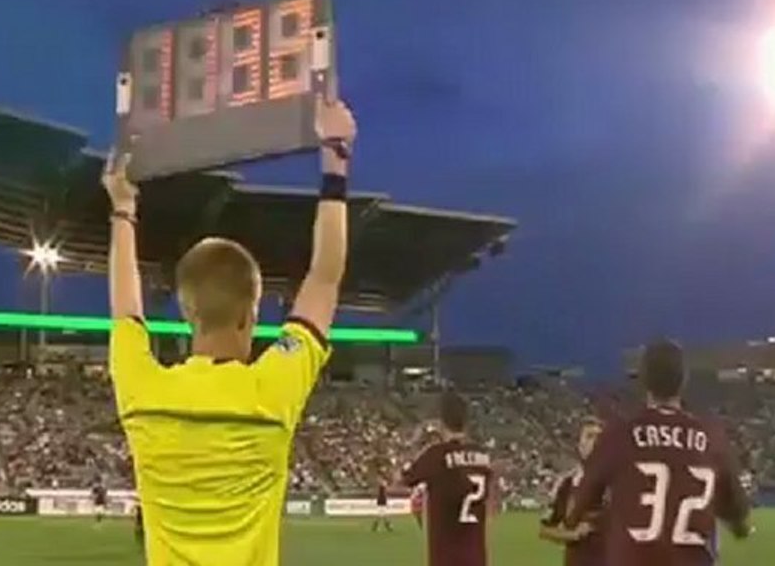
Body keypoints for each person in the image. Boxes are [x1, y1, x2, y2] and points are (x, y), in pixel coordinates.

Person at [105, 94, 356, 566]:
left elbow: (125, 310)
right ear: (250, 315)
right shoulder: (271, 391)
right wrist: (335, 158)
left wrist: (123, 208)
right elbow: (325, 277)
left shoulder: (145, 394)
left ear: (188, 312)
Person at [565, 339, 752, 566]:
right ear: (684, 380)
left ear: (643, 381)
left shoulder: (618, 435)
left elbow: (576, 511)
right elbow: (739, 517)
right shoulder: (712, 438)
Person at [401, 390, 494, 566]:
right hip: (476, 557)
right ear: (466, 421)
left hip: (447, 558)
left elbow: (406, 478)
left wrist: (414, 443)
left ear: (441, 422)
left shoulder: (436, 455)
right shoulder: (483, 456)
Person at [539, 416, 606, 565]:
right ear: (579, 444)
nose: (595, 442)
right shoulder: (566, 484)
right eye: (589, 436)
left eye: (599, 438)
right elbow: (545, 529)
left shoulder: (618, 483)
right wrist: (573, 535)